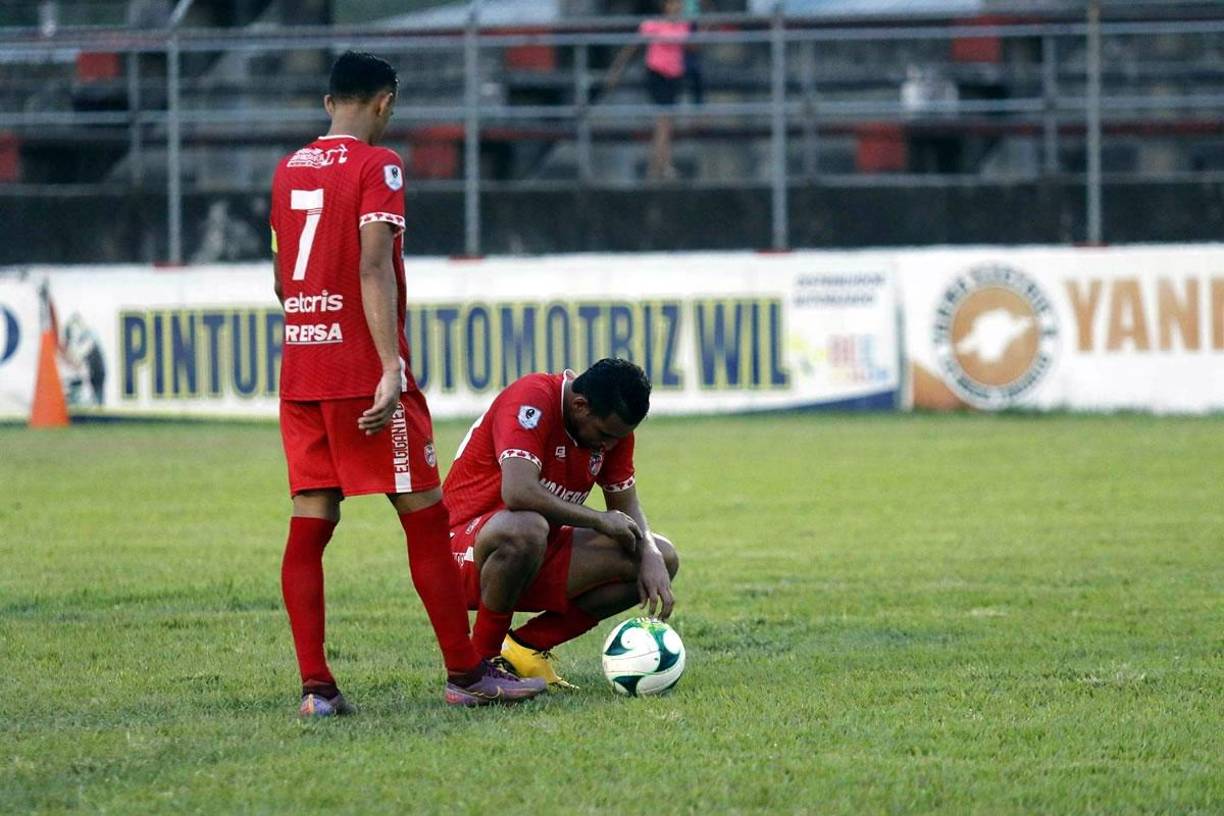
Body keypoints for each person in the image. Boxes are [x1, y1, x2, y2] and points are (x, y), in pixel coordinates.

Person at [269, 51, 545, 716]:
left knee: (311, 522)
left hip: (301, 370)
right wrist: (389, 364)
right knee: (425, 517)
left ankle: (317, 689)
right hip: (362, 372)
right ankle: (466, 674)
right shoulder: (380, 166)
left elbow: (281, 281)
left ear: (328, 101)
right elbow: (372, 265)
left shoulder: (287, 169)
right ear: (385, 102)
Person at [444, 358, 680, 689]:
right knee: (525, 527)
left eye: (618, 438)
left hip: (536, 548)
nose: (609, 446)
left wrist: (650, 553)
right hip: (461, 551)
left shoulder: (611, 429)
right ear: (580, 405)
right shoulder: (532, 399)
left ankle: (525, 647)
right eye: (605, 435)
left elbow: (625, 506)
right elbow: (518, 493)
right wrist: (599, 520)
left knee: (660, 555)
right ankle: (479, 665)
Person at [605, 0, 691, 180]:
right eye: (673, 4)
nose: (676, 8)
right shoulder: (653, 25)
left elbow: (691, 46)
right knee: (663, 122)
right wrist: (616, 70)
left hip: (674, 76)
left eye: (678, 5)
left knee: (666, 124)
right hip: (658, 75)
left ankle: (657, 167)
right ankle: (662, 167)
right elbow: (631, 49)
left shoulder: (684, 26)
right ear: (665, 6)